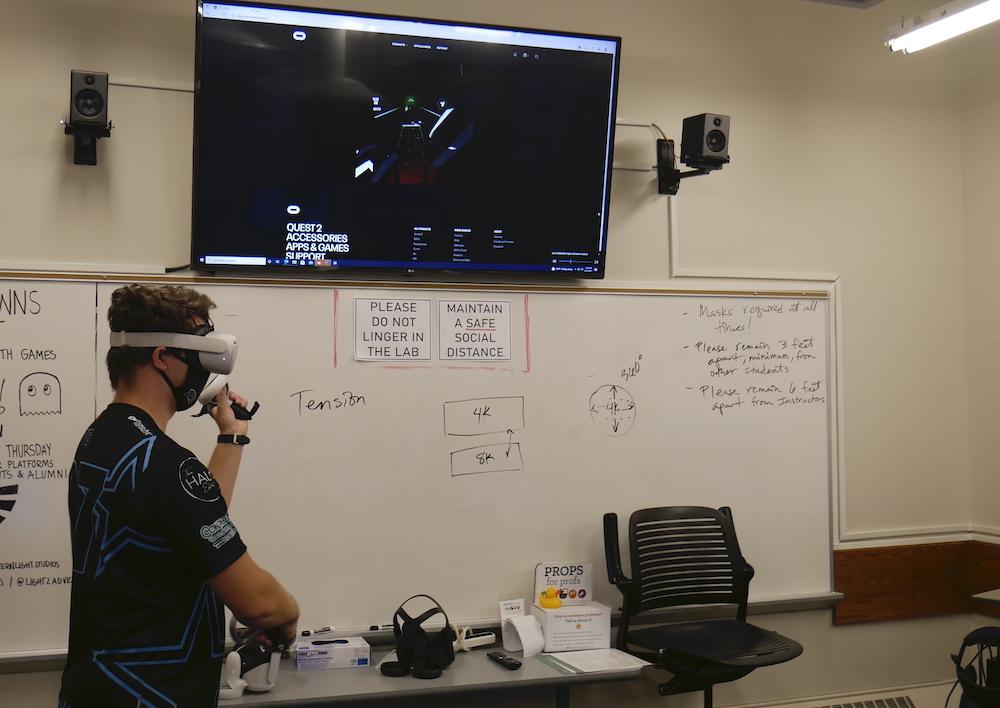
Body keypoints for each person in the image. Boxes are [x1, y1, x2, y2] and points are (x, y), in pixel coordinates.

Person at [59, 284, 299, 707]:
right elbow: (259, 603)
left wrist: (232, 436)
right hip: (153, 693)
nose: (206, 369)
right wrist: (287, 615)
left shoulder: (100, 438)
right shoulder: (166, 464)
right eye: (198, 352)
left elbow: (194, 525)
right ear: (162, 357)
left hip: (96, 687)